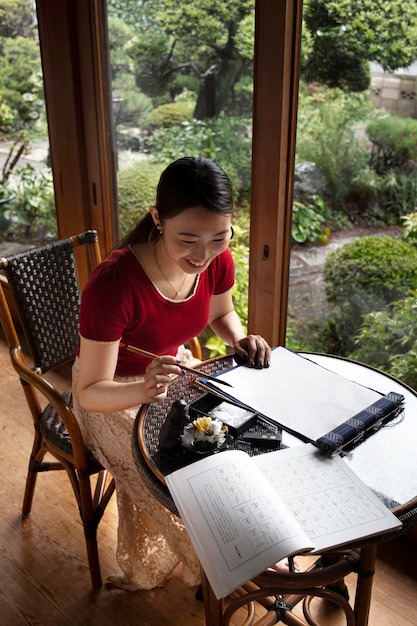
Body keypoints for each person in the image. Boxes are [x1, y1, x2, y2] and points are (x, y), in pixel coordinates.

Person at [72, 155, 271, 591]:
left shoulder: (217, 260)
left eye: (219, 237)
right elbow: (88, 391)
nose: (203, 255)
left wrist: (239, 338)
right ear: (157, 218)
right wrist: (143, 388)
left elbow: (223, 312)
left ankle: (245, 546)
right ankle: (224, 563)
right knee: (172, 473)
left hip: (170, 371)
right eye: (188, 240)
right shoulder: (113, 283)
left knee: (233, 442)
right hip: (114, 392)